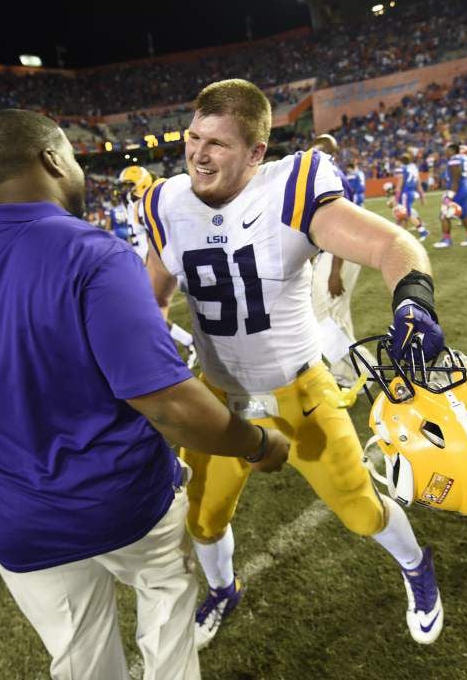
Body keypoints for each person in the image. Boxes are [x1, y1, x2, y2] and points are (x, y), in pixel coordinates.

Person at [0, 109, 291, 680]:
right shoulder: (93, 253)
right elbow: (167, 403)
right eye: (70, 156)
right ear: (50, 158)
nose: (78, 170)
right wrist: (257, 444)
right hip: (122, 501)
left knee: (82, 664)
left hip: (19, 517)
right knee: (166, 610)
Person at [143, 79, 445, 649]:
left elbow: (390, 245)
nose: (197, 154)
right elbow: (152, 294)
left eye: (217, 144)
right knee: (203, 519)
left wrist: (414, 299)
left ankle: (416, 562)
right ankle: (223, 588)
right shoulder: (164, 201)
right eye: (193, 137)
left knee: (360, 509)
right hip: (217, 398)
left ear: (257, 152)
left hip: (298, 390)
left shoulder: (291, 188)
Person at [308, 135, 367, 387]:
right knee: (325, 313)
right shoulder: (319, 173)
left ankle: (358, 372)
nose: (312, 149)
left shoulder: (327, 174)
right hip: (329, 250)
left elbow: (343, 227)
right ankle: (352, 371)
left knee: (327, 314)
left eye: (319, 146)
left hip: (341, 250)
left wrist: (335, 271)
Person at [434, 142, 467, 248]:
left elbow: (456, 178)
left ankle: (446, 240)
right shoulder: (464, 158)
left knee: (444, 215)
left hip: (457, 189)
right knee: (464, 215)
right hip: (464, 187)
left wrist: (451, 194)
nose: (445, 153)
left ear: (453, 150)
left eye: (447, 151)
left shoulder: (454, 159)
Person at [393, 151, 429, 241]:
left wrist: (396, 198)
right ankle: (400, 233)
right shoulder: (414, 168)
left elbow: (399, 185)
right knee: (403, 214)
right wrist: (422, 196)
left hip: (405, 193)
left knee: (406, 214)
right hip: (411, 193)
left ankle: (423, 231)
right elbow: (418, 184)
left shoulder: (403, 169)